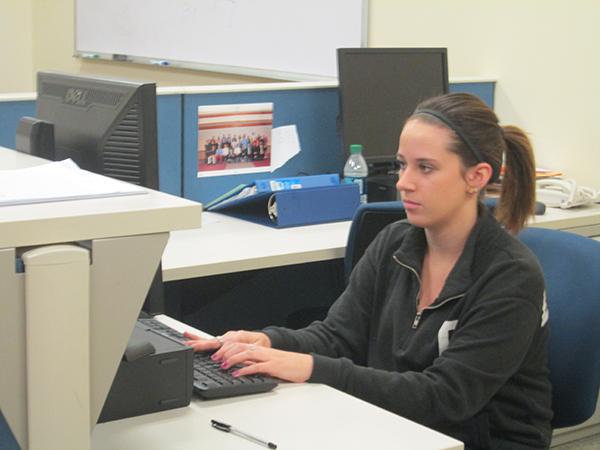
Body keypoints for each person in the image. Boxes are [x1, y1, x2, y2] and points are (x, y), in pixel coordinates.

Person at [184, 93, 553, 449]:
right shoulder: (396, 243)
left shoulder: (510, 275)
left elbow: (445, 398)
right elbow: (337, 336)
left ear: (476, 176)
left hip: (473, 440)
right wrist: (269, 343)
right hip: (395, 426)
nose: (403, 182)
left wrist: (310, 367)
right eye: (402, 164)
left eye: (425, 167)